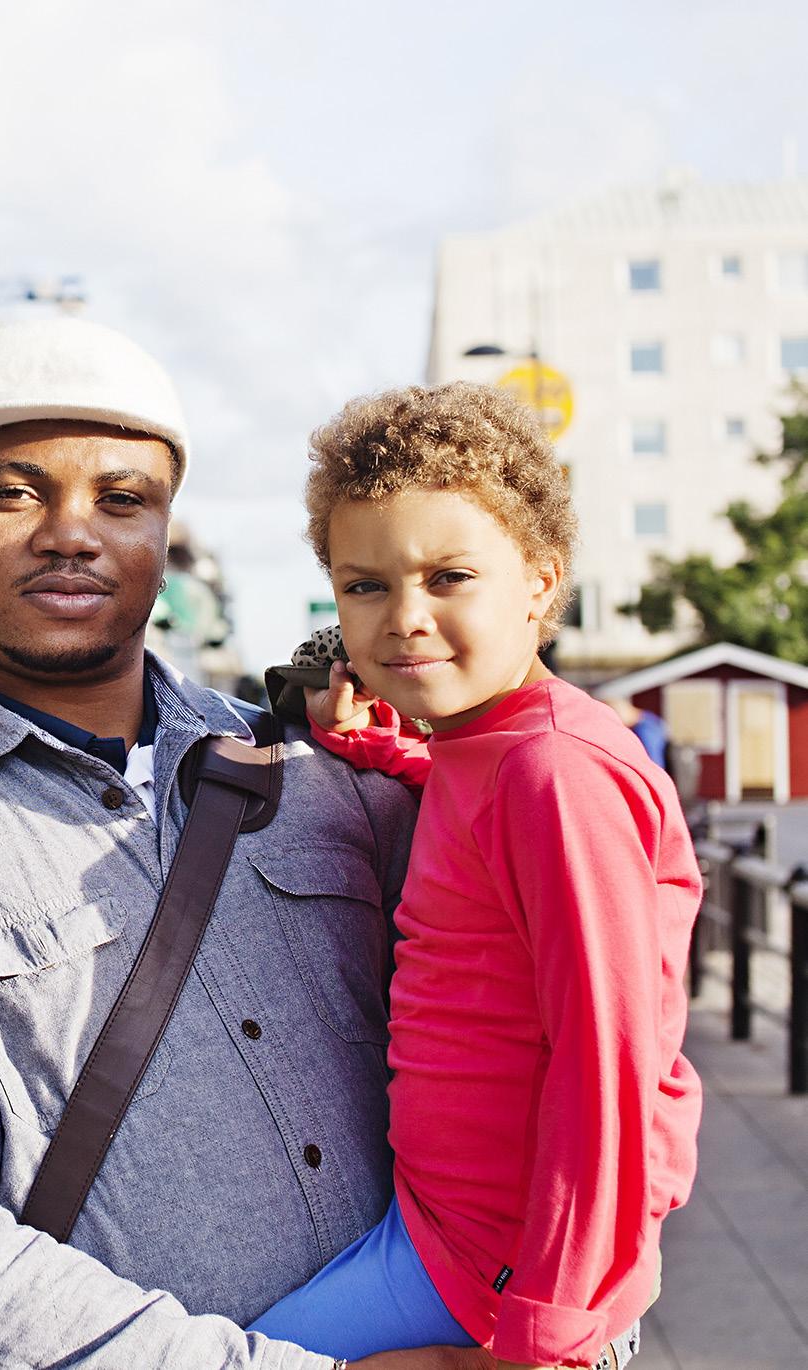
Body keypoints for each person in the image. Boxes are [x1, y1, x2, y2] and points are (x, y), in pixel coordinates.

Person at [0, 319, 488, 1370]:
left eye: (121, 499)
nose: (70, 532)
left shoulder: (319, 770)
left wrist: (571, 1303)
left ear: (164, 533)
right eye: (14, 492)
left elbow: (520, 1009)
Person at [251, 383, 703, 1370]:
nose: (404, 617)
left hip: (492, 1272)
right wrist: (375, 746)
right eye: (362, 584)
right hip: (446, 1228)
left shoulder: (556, 773)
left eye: (448, 575)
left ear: (540, 581)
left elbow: (606, 1065)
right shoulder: (480, 744)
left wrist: (547, 1333)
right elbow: (470, 795)